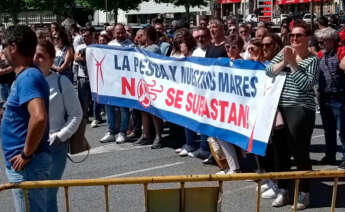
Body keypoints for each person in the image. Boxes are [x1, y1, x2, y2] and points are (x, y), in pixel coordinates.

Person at [266, 22, 319, 210]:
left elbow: (306, 84)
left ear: (307, 38)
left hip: (301, 108)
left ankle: (304, 193)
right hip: (280, 108)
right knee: (279, 152)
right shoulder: (284, 52)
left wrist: (293, 64)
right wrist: (284, 61)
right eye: (292, 36)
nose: (294, 39)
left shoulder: (313, 59)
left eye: (299, 35)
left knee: (299, 152)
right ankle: (283, 191)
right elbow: (268, 71)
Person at [1, 25, 51, 212]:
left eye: (4, 46)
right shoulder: (25, 76)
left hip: (28, 165)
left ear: (13, 47)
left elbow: (38, 117)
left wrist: (26, 154)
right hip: (27, 165)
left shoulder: (28, 77)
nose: (2, 51)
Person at [34, 40, 83, 212]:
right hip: (29, 149)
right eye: (33, 55)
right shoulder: (24, 82)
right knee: (32, 197)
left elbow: (76, 114)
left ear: (52, 58)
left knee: (47, 197)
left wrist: (60, 136)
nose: (36, 59)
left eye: (41, 56)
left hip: (54, 148)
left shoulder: (62, 82)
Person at [316, 27, 345, 169]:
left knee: (343, 129)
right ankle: (330, 155)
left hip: (339, 96)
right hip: (324, 97)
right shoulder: (321, 55)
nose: (320, 44)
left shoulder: (340, 52)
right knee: (329, 129)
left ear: (332, 41)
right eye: (319, 41)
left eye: (323, 41)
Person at [101, 24, 134, 143]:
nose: (120, 35)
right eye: (117, 33)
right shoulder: (110, 45)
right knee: (109, 106)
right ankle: (111, 131)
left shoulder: (131, 45)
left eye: (122, 32)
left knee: (123, 108)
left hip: (124, 82)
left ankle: (123, 131)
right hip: (112, 81)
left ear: (125, 32)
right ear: (113, 33)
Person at [133, 26, 164, 149]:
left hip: (153, 83)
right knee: (143, 109)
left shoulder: (154, 48)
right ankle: (146, 134)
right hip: (143, 82)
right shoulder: (141, 47)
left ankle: (158, 136)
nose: (140, 37)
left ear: (148, 35)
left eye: (143, 34)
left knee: (154, 111)